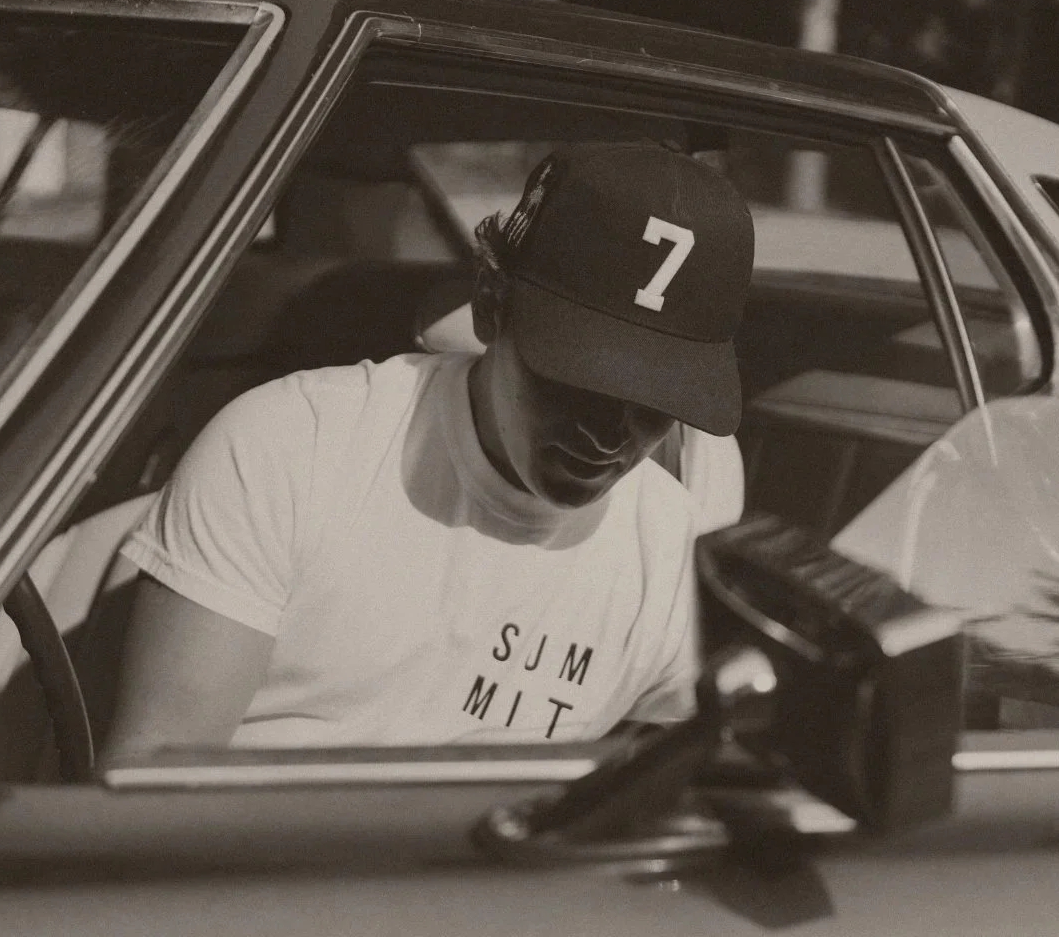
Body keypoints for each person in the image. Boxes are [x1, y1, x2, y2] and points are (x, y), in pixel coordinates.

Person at [102, 142, 756, 759]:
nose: (609, 434)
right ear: (490, 299)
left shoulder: (673, 546)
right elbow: (151, 789)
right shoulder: (289, 450)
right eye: (578, 379)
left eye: (655, 400)